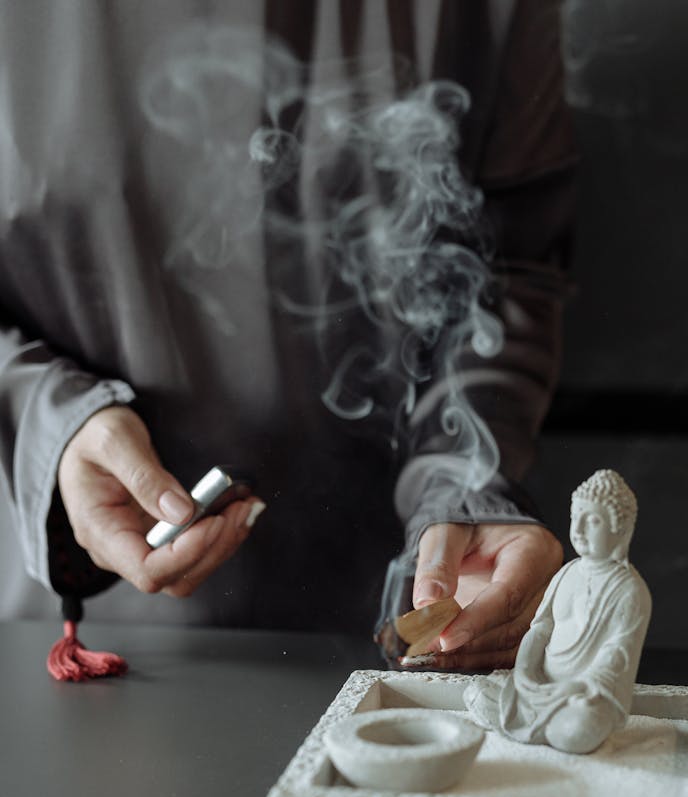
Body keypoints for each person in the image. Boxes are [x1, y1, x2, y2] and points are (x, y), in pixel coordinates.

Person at [0, 1, 577, 669]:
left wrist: (466, 482)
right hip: (86, 634)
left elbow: (508, 263)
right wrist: (49, 421)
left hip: (389, 626)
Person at [465, 470, 652, 752]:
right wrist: (526, 672)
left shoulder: (630, 591)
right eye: (576, 517)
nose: (578, 530)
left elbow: (616, 656)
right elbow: (541, 629)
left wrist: (574, 688)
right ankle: (540, 723)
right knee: (477, 694)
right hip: (538, 684)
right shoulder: (566, 574)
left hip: (583, 695)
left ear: (620, 528)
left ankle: (547, 727)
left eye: (593, 521)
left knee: (578, 731)